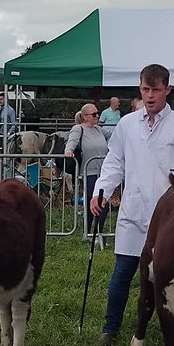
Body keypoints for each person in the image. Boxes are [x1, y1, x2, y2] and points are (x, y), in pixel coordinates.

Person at [92, 64, 174, 346]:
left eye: (156, 89)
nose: (150, 95)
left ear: (167, 89)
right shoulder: (127, 124)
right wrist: (101, 190)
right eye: (145, 89)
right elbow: (114, 161)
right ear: (139, 88)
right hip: (134, 210)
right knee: (122, 273)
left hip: (170, 217)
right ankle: (111, 328)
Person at [65, 102, 110, 244]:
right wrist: (69, 150)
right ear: (85, 117)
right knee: (97, 203)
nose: (97, 116)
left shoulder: (99, 130)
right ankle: (93, 234)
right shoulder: (78, 129)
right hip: (88, 172)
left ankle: (94, 233)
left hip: (102, 173)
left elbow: (114, 136)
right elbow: (71, 142)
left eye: (97, 113)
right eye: (94, 114)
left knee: (100, 203)